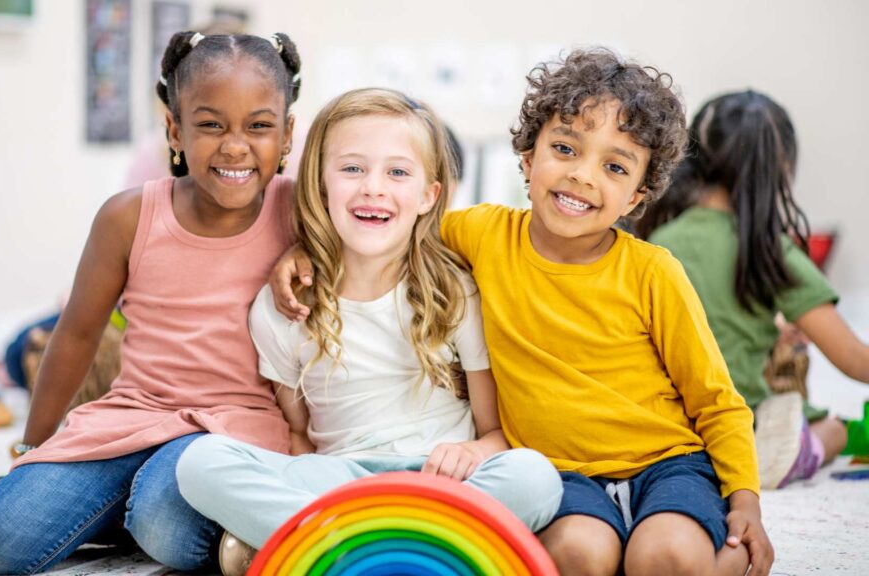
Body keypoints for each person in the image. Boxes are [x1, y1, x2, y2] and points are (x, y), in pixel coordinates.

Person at [271, 50, 773, 576]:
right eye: (564, 148)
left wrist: (746, 502)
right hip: (560, 473)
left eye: (615, 167)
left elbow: (717, 401)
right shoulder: (481, 233)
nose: (582, 175)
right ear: (529, 159)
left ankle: (725, 563)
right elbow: (386, 232)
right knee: (576, 556)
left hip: (668, 464)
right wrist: (305, 251)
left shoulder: (654, 272)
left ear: (636, 197)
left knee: (665, 558)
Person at [177, 88, 562, 576]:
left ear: (428, 196)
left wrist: (471, 452)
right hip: (340, 480)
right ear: (319, 187)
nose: (373, 188)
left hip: (438, 479)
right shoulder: (282, 307)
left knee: (535, 477)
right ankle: (404, 549)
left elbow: (493, 433)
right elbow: (299, 434)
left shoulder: (455, 291)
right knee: (199, 463)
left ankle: (341, 550)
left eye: (397, 172)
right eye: (352, 169)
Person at [0, 31, 302, 574]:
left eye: (259, 126)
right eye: (210, 124)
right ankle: (111, 505)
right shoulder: (127, 217)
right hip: (134, 416)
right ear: (174, 128)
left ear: (287, 134)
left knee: (166, 528)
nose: (235, 146)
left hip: (232, 434)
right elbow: (75, 334)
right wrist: (33, 450)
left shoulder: (302, 213)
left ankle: (125, 511)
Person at [638, 91, 869, 488]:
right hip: (741, 417)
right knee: (832, 426)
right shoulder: (769, 252)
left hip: (669, 422)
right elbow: (853, 360)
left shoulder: (657, 238)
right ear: (778, 168)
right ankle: (812, 443)